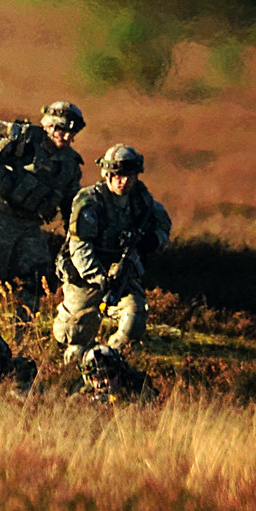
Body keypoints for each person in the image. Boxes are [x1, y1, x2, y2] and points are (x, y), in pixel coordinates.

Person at [51, 144, 171, 361]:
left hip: (123, 272)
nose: (123, 181)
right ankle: (73, 371)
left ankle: (110, 361)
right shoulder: (89, 201)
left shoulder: (141, 201)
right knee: (74, 336)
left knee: (135, 316)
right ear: (107, 174)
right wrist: (99, 278)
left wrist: (152, 241)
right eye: (118, 175)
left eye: (129, 176)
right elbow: (80, 247)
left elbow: (163, 226)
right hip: (85, 276)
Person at [0, 100, 87, 322]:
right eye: (60, 129)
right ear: (49, 126)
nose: (64, 136)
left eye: (70, 132)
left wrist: (78, 234)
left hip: (30, 225)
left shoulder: (70, 164)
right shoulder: (26, 139)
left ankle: (23, 325)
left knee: (38, 274)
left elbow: (71, 204)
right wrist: (6, 131)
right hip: (0, 216)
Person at [75, 344, 156, 404]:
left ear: (120, 372)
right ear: (90, 379)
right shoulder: (82, 395)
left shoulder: (138, 386)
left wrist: (118, 399)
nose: (106, 381)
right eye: (98, 378)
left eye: (111, 375)